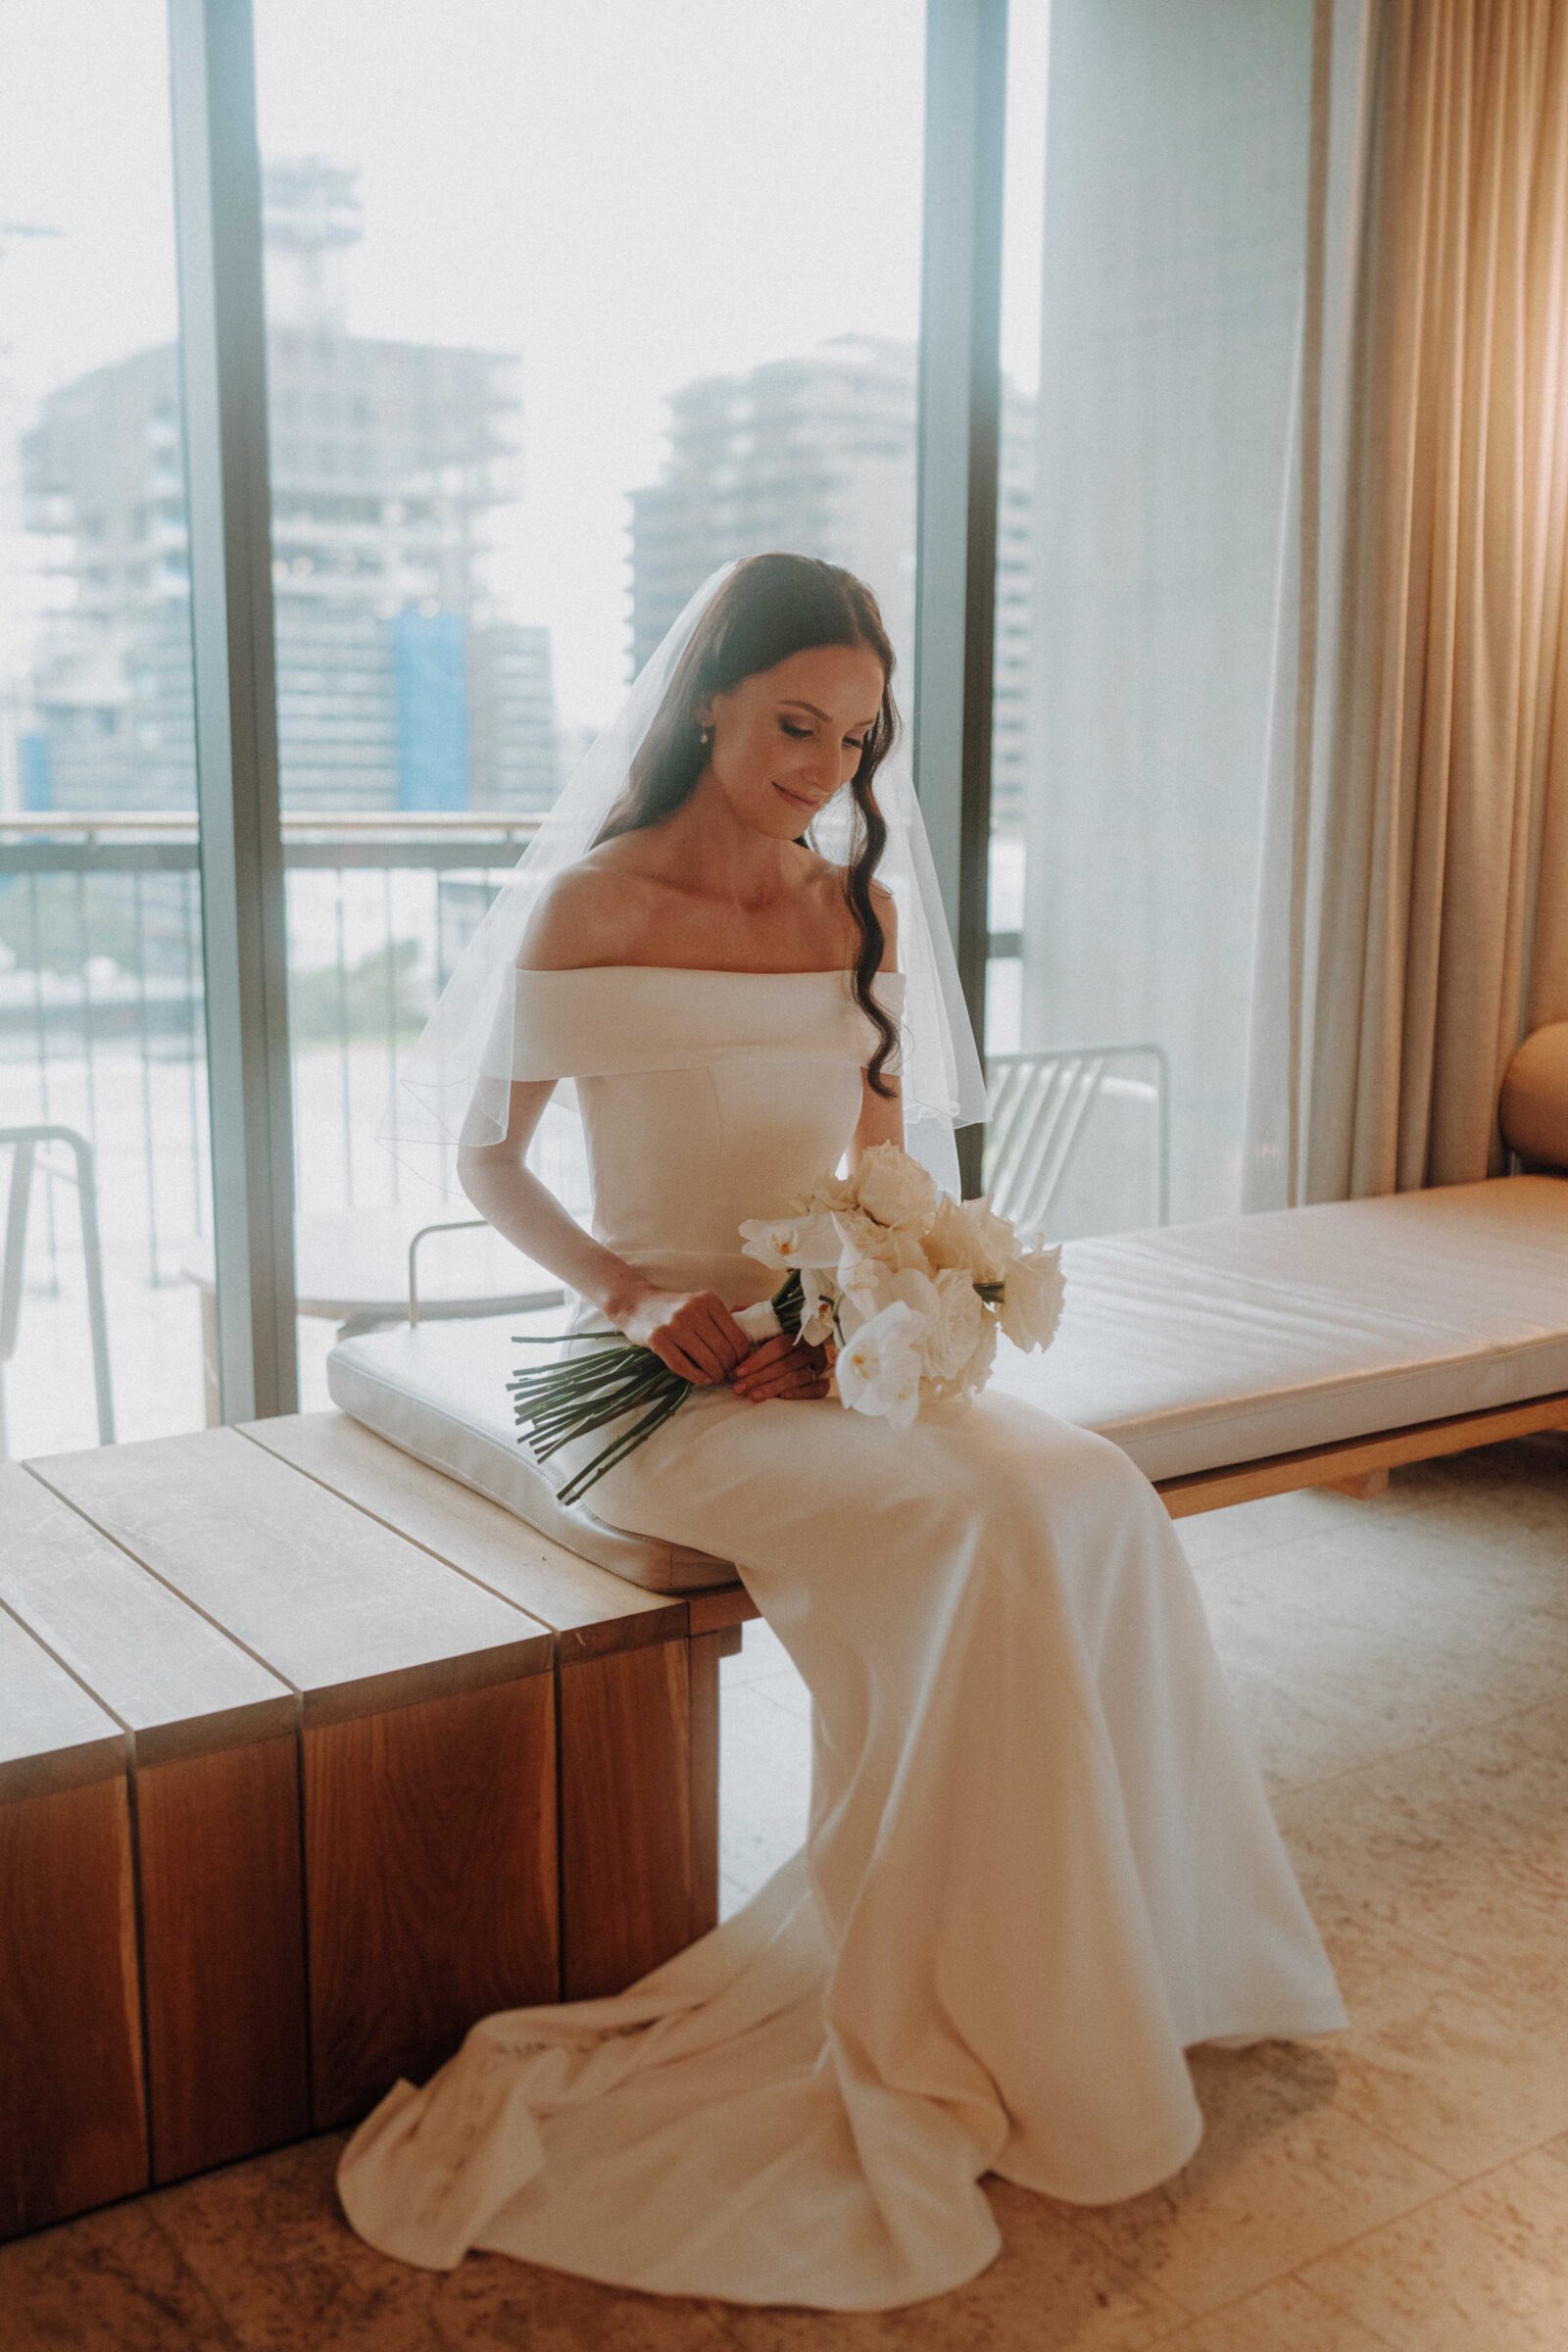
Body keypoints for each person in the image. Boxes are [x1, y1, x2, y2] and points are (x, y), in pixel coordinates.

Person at [337, 552, 1348, 2312]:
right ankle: (952, 1991)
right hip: (663, 1379)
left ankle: (1125, 1976)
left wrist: (864, 1314)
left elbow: (882, 1180)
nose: (824, 766)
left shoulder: (853, 914)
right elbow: (488, 1158)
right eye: (795, 722)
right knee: (966, 1531)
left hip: (830, 1352)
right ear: (709, 701)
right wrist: (630, 1296)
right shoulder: (588, 906)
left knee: (1085, 1494)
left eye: (857, 738)